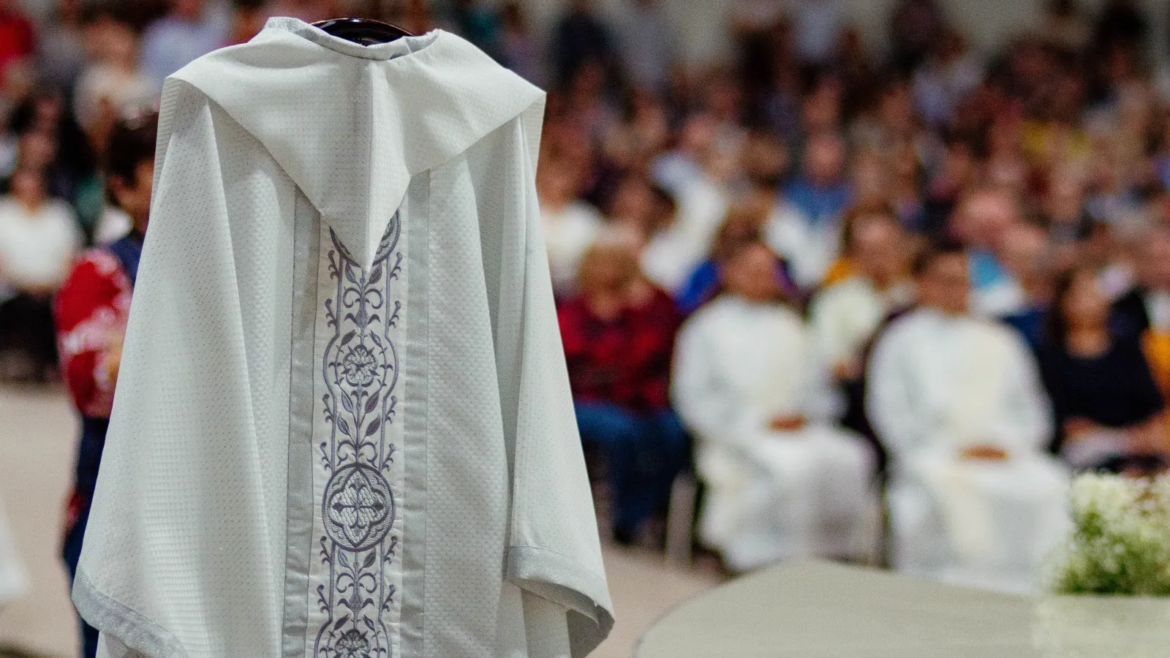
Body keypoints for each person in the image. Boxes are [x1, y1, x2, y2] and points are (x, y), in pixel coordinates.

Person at [867, 241, 1069, 593]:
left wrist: (1005, 446)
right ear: (922, 283)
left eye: (962, 281)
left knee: (1051, 485)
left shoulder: (1000, 339)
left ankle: (1031, 593)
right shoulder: (900, 340)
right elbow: (889, 410)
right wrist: (945, 451)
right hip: (935, 455)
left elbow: (1031, 411)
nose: (955, 290)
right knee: (943, 493)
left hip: (1003, 453)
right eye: (944, 280)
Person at [673, 241, 876, 571]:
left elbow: (819, 389)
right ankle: (765, 559)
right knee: (789, 467)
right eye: (751, 270)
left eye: (767, 272)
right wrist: (754, 422)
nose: (760, 279)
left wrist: (805, 415)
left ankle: (830, 556)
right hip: (738, 428)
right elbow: (692, 396)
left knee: (851, 457)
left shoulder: (793, 325)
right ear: (729, 273)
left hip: (798, 428)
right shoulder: (705, 327)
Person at [53, 113, 156, 658]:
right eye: (159, 168)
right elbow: (89, 383)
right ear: (120, 185)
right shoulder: (99, 269)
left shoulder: (213, 269)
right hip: (111, 502)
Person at [559, 232, 687, 545]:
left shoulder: (641, 311)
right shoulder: (574, 309)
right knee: (623, 433)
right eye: (603, 263)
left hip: (634, 397)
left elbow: (655, 349)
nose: (610, 271)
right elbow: (570, 356)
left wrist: (642, 304)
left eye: (618, 264)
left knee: (673, 434)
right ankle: (624, 519)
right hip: (585, 398)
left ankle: (642, 511)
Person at [1039, 267, 1167, 473]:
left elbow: (1152, 406)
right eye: (1082, 295)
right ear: (1063, 302)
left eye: (1095, 293)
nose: (1091, 302)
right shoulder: (1050, 357)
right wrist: (1117, 438)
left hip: (1135, 442)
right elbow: (1064, 424)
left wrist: (1140, 436)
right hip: (1086, 449)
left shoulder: (1128, 349)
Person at [809, 206, 913, 385]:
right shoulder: (833, 300)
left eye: (886, 249)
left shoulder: (914, 297)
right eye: (870, 251)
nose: (879, 259)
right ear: (854, 255)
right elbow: (827, 359)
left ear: (901, 250)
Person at [0, 166, 82, 380]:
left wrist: (50, 285)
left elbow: (70, 257)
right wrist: (26, 285)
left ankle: (52, 365)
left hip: (53, 289)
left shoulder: (59, 214)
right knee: (26, 308)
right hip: (13, 290)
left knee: (50, 307)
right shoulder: (4, 213)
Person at [537, 153, 603, 297]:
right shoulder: (530, 213)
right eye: (552, 176)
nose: (557, 183)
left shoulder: (587, 217)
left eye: (563, 177)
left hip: (576, 292)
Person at [139, 0, 230, 92]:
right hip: (167, 96)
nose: (189, 2)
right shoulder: (157, 34)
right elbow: (151, 78)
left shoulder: (219, 30)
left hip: (210, 93)